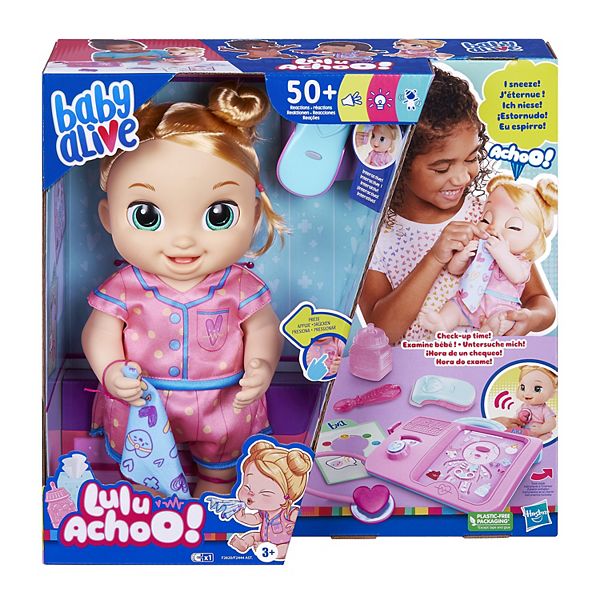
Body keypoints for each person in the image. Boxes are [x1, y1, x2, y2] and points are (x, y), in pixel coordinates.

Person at [83, 82, 286, 496]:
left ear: (252, 217)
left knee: (222, 472)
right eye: (147, 216)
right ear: (108, 217)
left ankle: (213, 504)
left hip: (223, 401)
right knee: (147, 473)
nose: (183, 240)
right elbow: (98, 332)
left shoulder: (239, 285)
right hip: (144, 401)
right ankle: (158, 513)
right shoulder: (125, 287)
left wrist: (262, 365)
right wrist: (110, 370)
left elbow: (265, 327)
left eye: (217, 215)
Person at [359, 66, 556, 342]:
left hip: (483, 362)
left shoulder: (488, 215)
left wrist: (530, 317)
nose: (463, 177)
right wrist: (435, 258)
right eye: (442, 168)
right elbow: (383, 333)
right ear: (399, 162)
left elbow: (540, 301)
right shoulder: (374, 233)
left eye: (472, 158)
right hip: (414, 368)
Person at [228, 440, 312, 560]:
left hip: (283, 544)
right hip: (264, 538)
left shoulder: (289, 513)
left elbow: (304, 520)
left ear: (287, 497)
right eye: (247, 486)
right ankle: (244, 544)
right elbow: (255, 519)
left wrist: (295, 525)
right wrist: (242, 517)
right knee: (253, 535)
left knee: (284, 548)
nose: (251, 493)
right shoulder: (264, 513)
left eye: (264, 493)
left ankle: (270, 550)